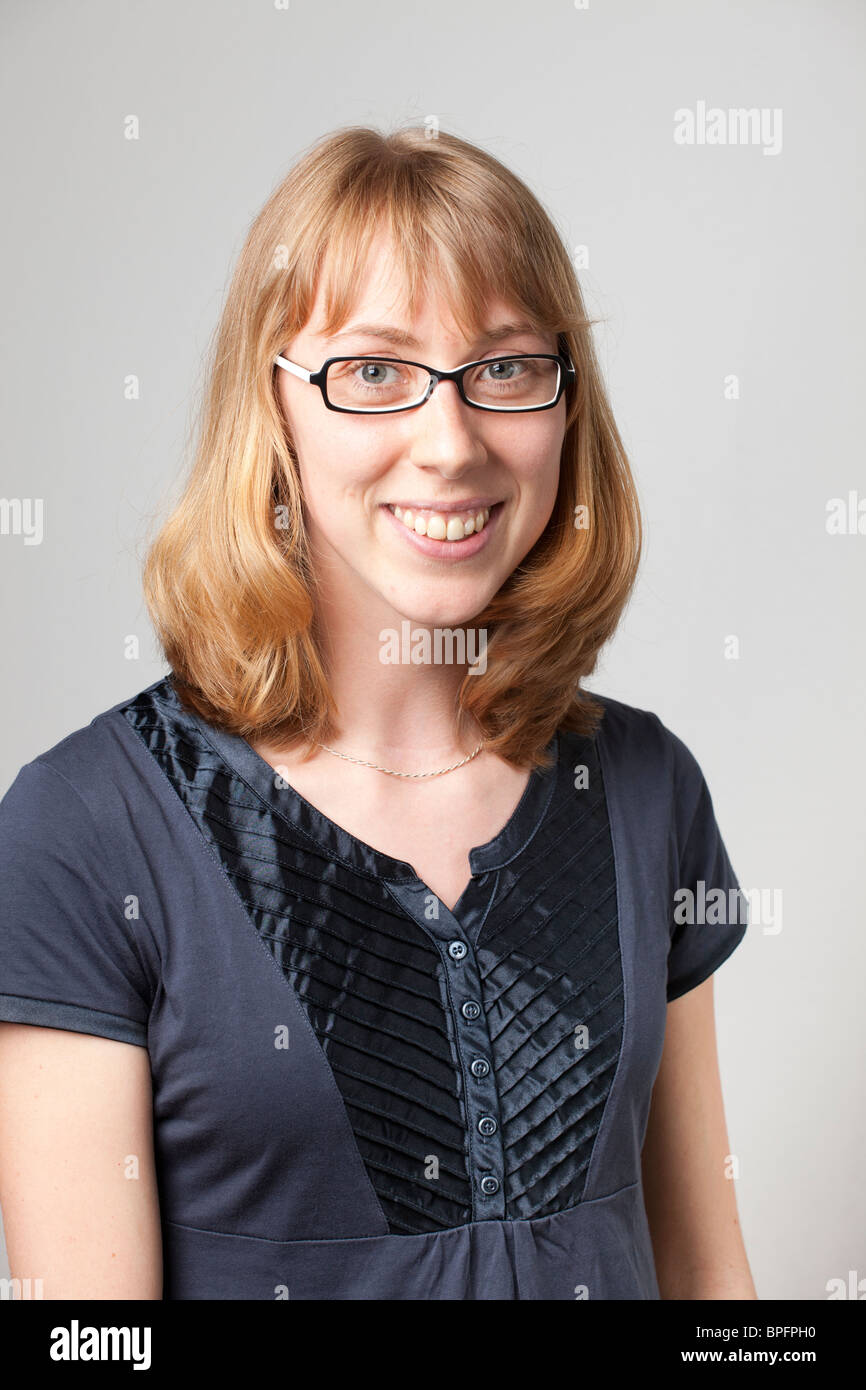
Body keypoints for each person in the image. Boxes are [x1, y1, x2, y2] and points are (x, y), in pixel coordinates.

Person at [0, 124, 755, 1300]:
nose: (448, 443)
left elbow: (713, 1287)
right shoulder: (86, 826)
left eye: (503, 366)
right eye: (371, 372)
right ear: (275, 413)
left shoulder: (647, 785)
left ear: (564, 400)